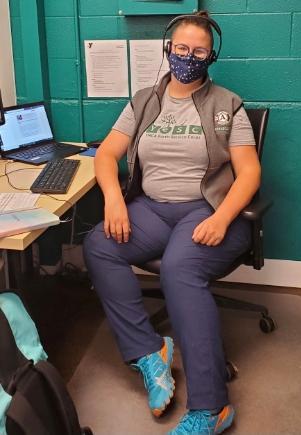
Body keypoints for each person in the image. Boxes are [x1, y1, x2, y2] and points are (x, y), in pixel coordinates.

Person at [83, 10, 261, 435]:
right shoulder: (144, 100)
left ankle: (211, 406)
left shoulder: (227, 105)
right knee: (99, 244)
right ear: (167, 48)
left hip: (206, 209)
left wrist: (221, 217)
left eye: (198, 51)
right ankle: (149, 353)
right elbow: (106, 154)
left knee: (181, 270)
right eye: (181, 48)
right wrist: (113, 198)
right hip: (154, 209)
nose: (188, 56)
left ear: (211, 56)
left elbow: (250, 172)